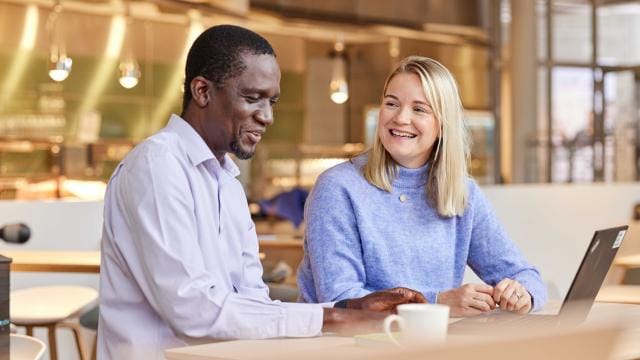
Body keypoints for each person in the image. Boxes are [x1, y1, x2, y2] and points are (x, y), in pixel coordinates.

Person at [98, 25, 426, 359]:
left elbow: (252, 303)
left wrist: (351, 306)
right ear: (202, 91)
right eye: (252, 98)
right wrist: (336, 317)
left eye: (272, 101)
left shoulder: (226, 182)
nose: (267, 117)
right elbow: (193, 312)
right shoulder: (157, 166)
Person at [297, 56, 547, 317]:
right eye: (391, 104)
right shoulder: (337, 188)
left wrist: (522, 294)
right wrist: (436, 302)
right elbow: (341, 301)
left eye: (419, 109)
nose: (401, 118)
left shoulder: (463, 193)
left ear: (442, 125)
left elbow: (526, 276)